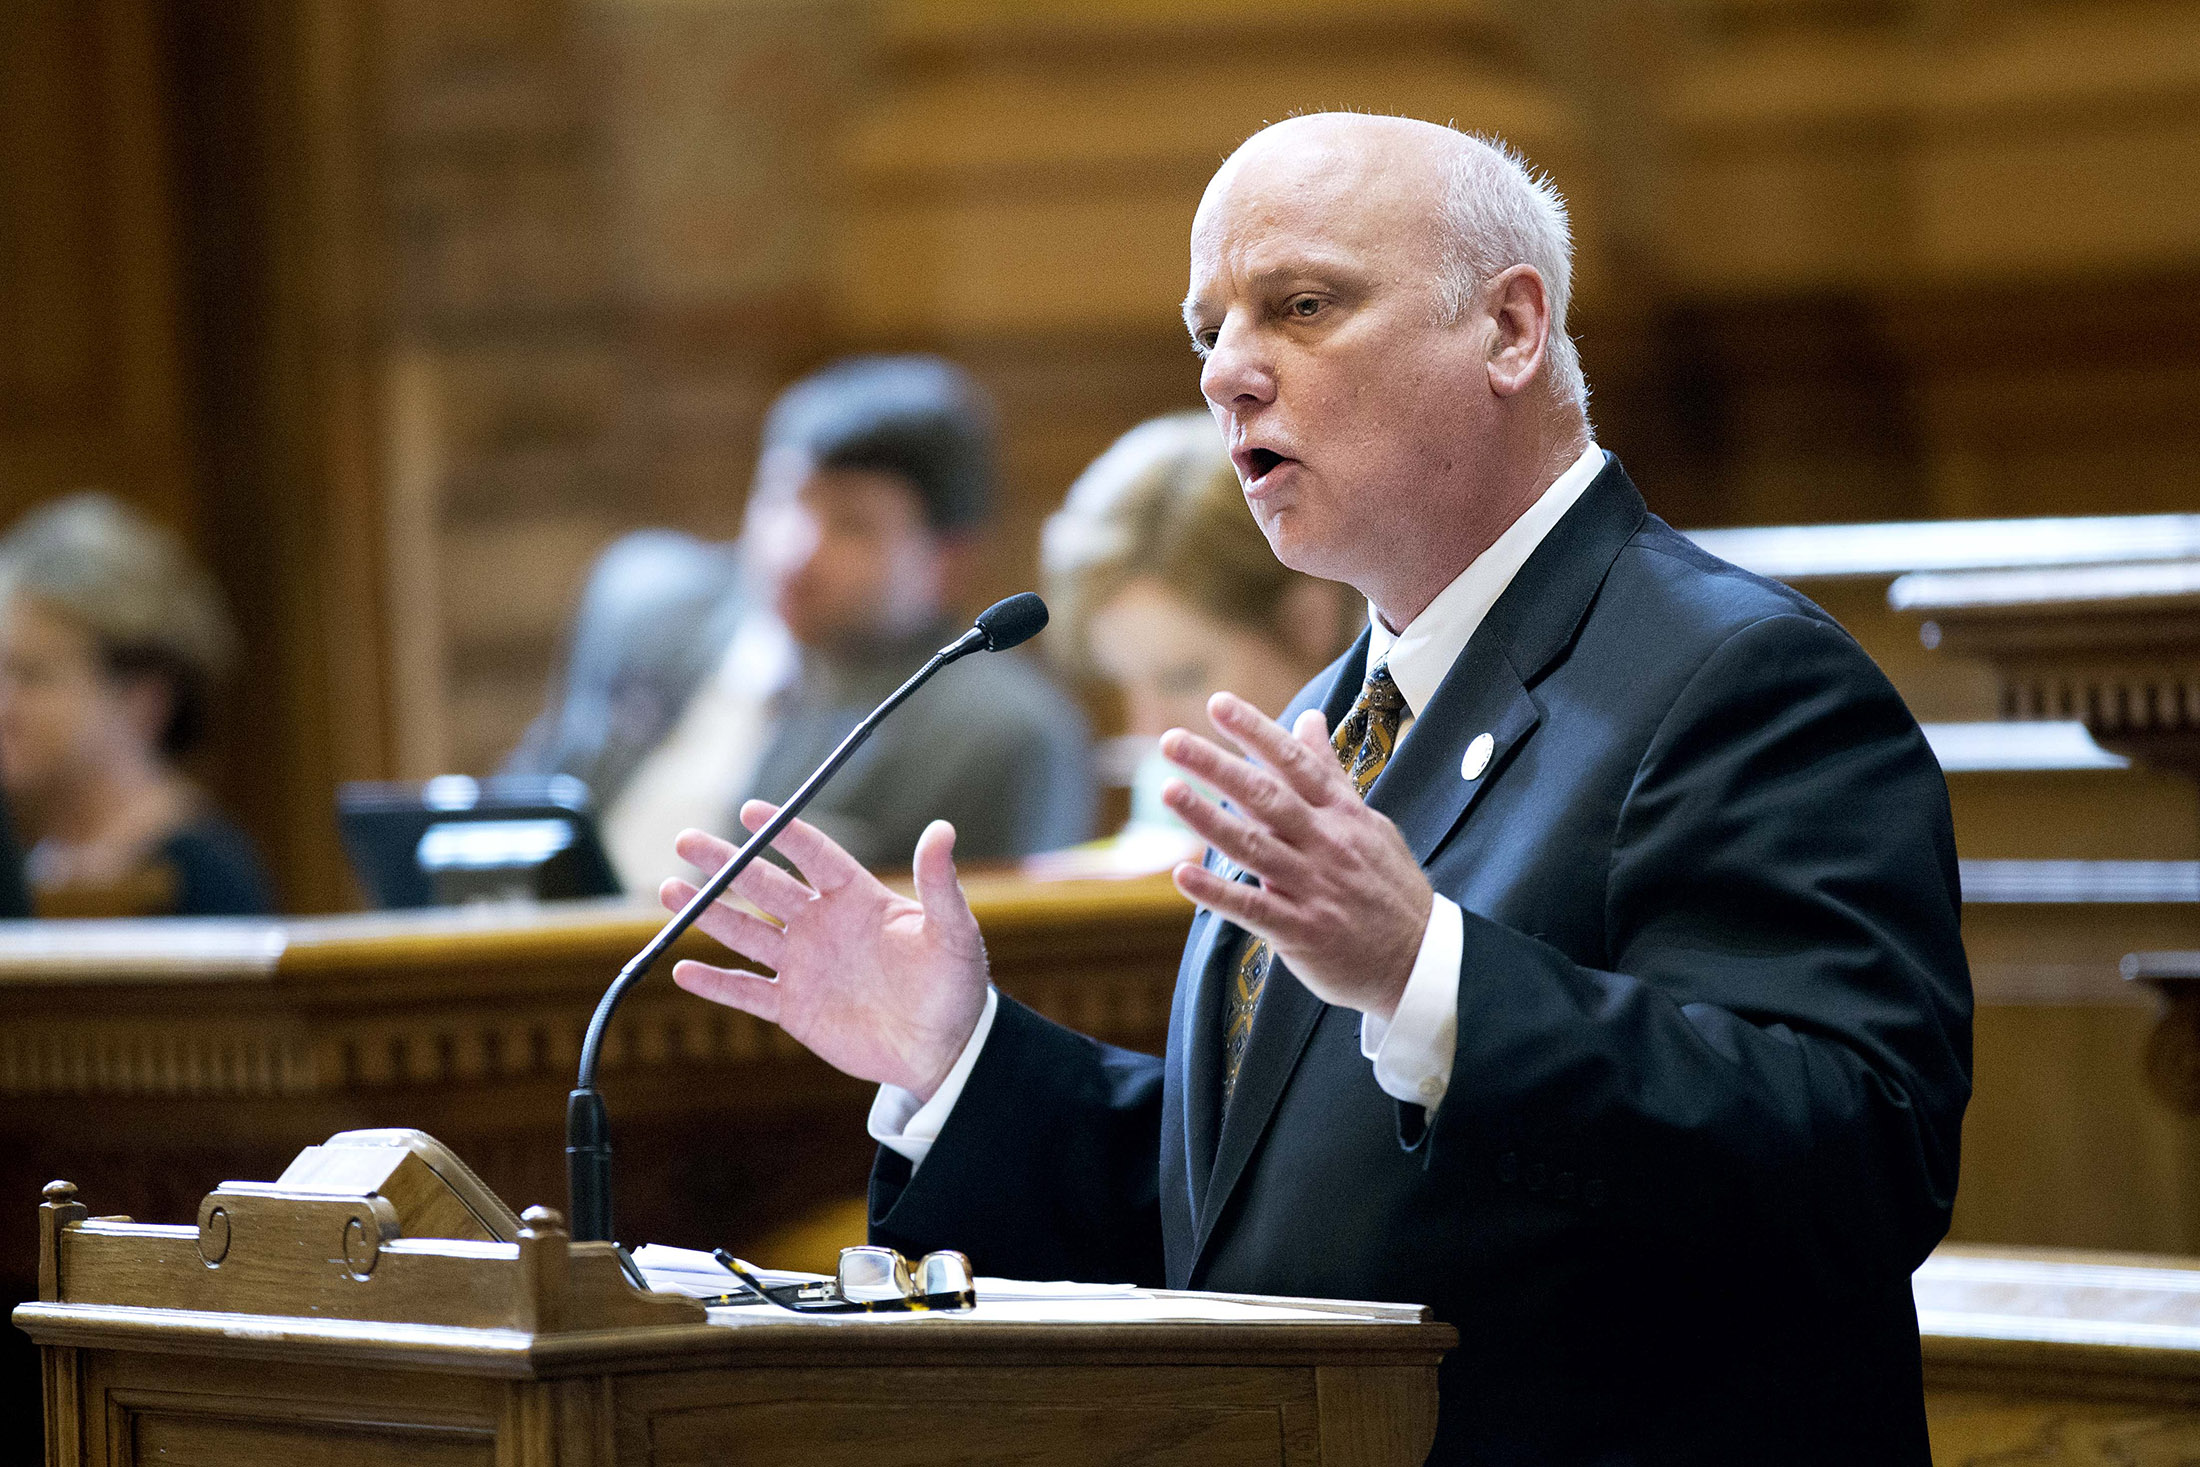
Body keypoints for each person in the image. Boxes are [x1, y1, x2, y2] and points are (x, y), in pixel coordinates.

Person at [659, 116, 1971, 1465]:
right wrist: (962, 1058)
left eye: (1301, 305)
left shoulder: (1737, 676)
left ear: (1510, 329)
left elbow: (1858, 1158)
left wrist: (1427, 971)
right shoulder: (1328, 717)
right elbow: (1250, 1227)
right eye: (1207, 329)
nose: (1226, 372)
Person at [507, 356, 1095, 889]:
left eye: (853, 524)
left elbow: (991, 950)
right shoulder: (644, 603)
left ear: (947, 562)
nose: (795, 548)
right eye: (783, 497)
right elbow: (527, 803)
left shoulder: (999, 737)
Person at [1035, 411, 1357, 874]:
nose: (1152, 732)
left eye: (1183, 678)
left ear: (1310, 619)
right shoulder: (1169, 787)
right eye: (1127, 684)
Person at [0, 494, 274, 917]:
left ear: (142, 700)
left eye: (35, 676)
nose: (5, 705)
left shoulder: (202, 878)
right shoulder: (29, 862)